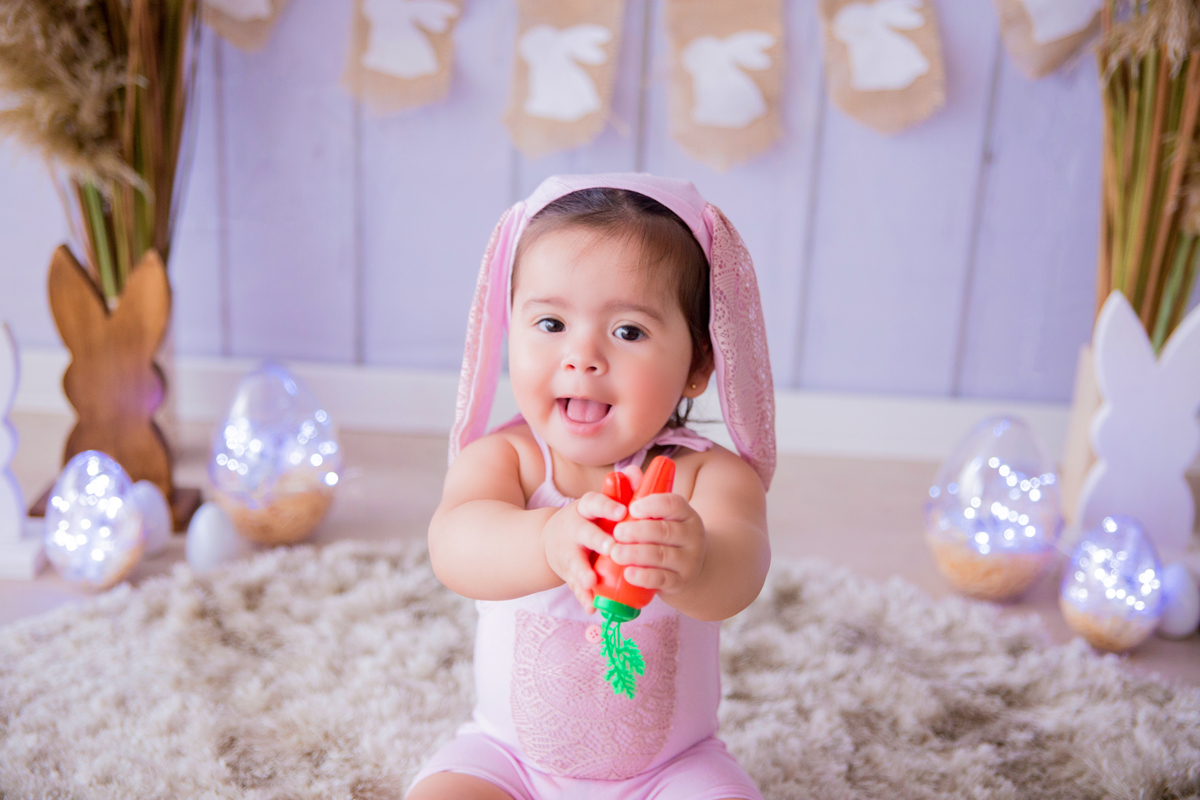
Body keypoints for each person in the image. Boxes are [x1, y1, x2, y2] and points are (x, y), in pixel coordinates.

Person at [407, 174, 776, 800]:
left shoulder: (708, 477)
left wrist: (699, 559)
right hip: (507, 761)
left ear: (697, 365)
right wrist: (548, 537)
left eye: (628, 331)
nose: (582, 356)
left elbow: (740, 574)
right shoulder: (507, 460)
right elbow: (454, 547)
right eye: (550, 323)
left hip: (671, 771)